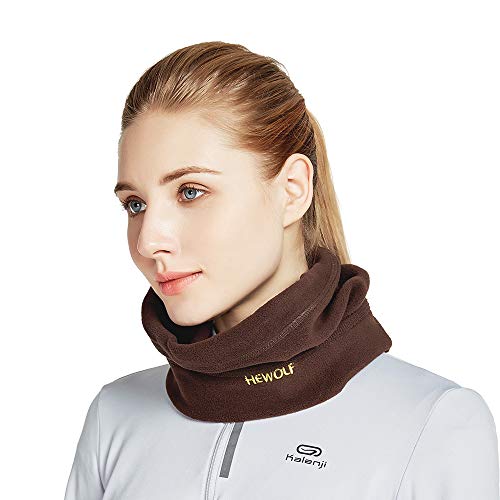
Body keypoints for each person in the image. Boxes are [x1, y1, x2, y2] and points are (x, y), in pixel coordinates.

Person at [64, 41, 499, 500]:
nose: (148, 241)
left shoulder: (433, 425)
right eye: (135, 204)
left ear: (292, 190)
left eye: (191, 192)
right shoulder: (114, 417)